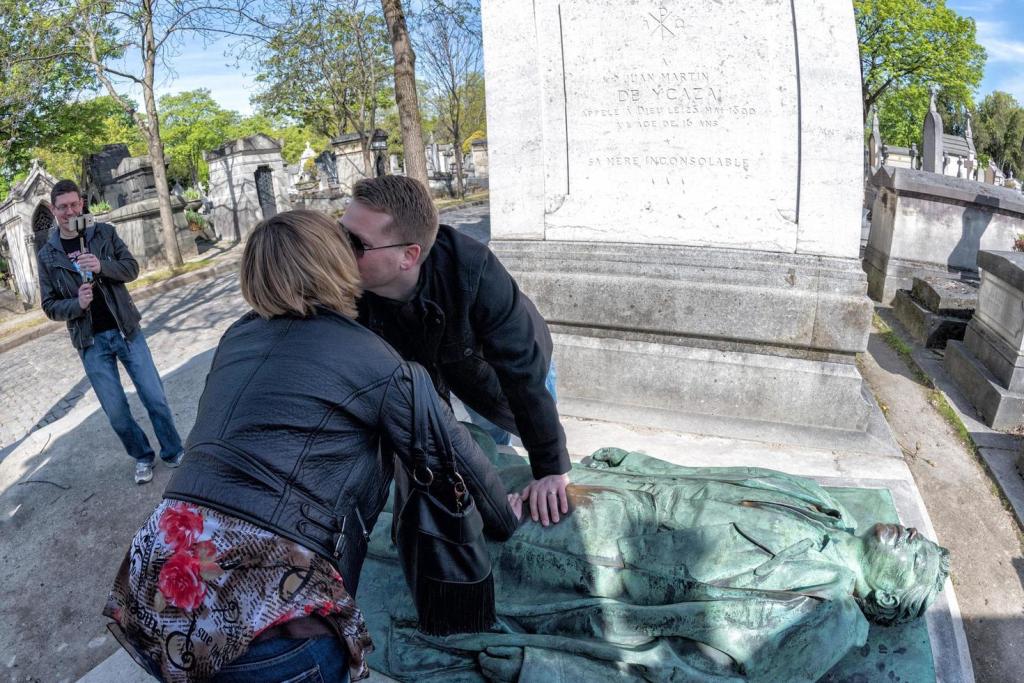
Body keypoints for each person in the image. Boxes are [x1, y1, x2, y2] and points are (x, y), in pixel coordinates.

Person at [102, 210, 519, 682]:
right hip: (273, 597)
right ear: (335, 264)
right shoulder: (375, 358)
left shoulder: (235, 338)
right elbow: (457, 459)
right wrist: (508, 521)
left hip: (159, 575)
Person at [359, 444, 951, 682]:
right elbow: (708, 480)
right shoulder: (823, 506)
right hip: (615, 500)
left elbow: (697, 677)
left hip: (605, 571)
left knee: (441, 559)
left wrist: (545, 668)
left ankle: (344, 560)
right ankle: (357, 508)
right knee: (451, 500)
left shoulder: (830, 624)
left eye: (916, 558)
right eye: (922, 540)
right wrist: (630, 462)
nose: (911, 539)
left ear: (890, 599)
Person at [342, 176, 570, 526]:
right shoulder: (351, 287)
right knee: (483, 446)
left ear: (408, 255)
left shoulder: (473, 269)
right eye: (339, 233)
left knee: (513, 430)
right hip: (441, 372)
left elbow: (523, 375)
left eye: (355, 243)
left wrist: (550, 468)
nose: (340, 250)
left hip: (503, 371)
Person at [37, 179, 183, 484]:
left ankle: (172, 450)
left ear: (82, 203)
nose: (69, 211)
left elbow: (131, 268)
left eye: (74, 204)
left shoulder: (103, 233)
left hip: (125, 329)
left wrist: (102, 266)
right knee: (116, 412)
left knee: (154, 397)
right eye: (62, 207)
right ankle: (142, 456)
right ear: (53, 210)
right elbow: (50, 305)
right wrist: (76, 304)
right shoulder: (48, 255)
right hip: (90, 341)